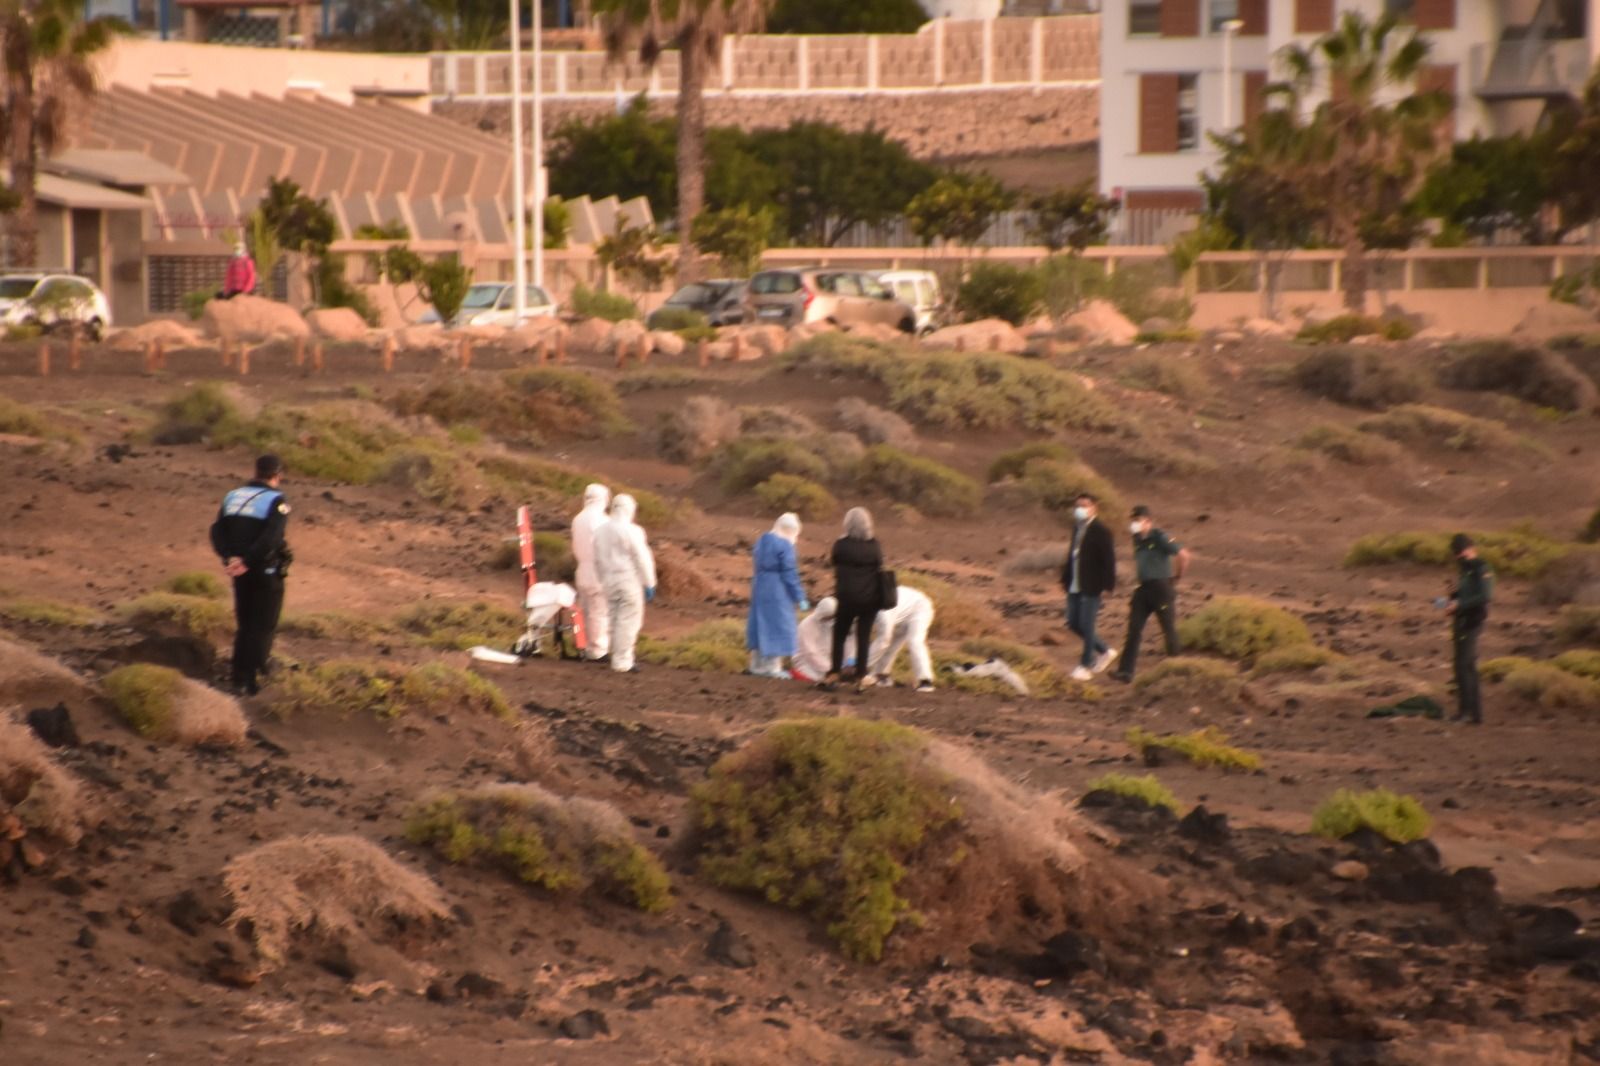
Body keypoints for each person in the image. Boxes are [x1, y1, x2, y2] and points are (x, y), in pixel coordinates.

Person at [209, 454, 291, 695]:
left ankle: (238, 676)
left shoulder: (232, 496)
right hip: (264, 570)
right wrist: (248, 560)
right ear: (277, 475)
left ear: (255, 471)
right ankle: (253, 679)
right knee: (263, 625)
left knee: (245, 625)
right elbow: (272, 538)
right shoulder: (277, 500)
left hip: (238, 570)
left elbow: (217, 531)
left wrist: (230, 558)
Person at [1110, 504, 1191, 683]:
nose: (1134, 524)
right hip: (1144, 588)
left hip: (1161, 588)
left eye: (1138, 520)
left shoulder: (1160, 537)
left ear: (1148, 521)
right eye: (1133, 520)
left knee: (1168, 629)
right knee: (1134, 629)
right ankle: (1125, 672)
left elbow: (1183, 555)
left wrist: (1177, 577)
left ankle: (1178, 672)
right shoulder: (1137, 539)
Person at [592, 494, 656, 674]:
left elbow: (596, 559)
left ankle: (616, 656)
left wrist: (601, 579)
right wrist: (649, 582)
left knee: (613, 619)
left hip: (608, 580)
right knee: (628, 621)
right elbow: (642, 558)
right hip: (628, 580)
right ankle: (622, 661)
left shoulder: (600, 530)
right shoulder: (632, 530)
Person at [826, 507, 884, 692]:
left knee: (840, 635)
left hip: (846, 597)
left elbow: (834, 561)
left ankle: (834, 674)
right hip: (869, 599)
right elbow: (879, 565)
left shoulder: (841, 545)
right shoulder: (874, 546)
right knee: (864, 637)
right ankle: (861, 677)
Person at [1061, 493, 1117, 682]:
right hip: (1075, 583)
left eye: (1084, 505)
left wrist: (1108, 585)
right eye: (1078, 505)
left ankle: (1085, 666)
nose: (1080, 509)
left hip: (1092, 584)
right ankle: (1104, 650)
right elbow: (1072, 555)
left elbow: (1109, 560)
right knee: (1073, 623)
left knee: (1087, 624)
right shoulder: (1077, 528)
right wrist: (1065, 578)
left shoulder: (1101, 531)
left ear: (1094, 508)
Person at [747, 513, 809, 679]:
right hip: (777, 589)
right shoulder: (785, 546)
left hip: (760, 585)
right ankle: (773, 668)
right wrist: (800, 597)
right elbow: (790, 574)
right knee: (777, 625)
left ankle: (757, 666)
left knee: (760, 624)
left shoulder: (763, 540)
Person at [1445, 533, 1493, 725]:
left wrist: (1460, 604)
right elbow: (1464, 594)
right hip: (1461, 620)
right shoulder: (1465, 570)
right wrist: (1452, 602)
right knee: (1465, 665)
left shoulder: (1481, 568)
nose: (1459, 556)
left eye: (1461, 551)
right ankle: (1473, 713)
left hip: (1471, 621)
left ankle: (1467, 712)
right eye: (1457, 553)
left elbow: (1484, 595)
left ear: (1470, 549)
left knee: (1464, 666)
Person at [570, 483, 612, 663]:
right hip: (599, 570)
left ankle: (584, 646)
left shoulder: (578, 518)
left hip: (582, 569)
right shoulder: (603, 520)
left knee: (586, 609)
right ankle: (598, 651)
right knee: (599, 612)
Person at [867, 585, 936, 692]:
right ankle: (882, 676)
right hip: (901, 611)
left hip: (919, 608)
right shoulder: (864, 607)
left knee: (914, 641)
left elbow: (883, 640)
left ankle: (925, 681)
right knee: (893, 644)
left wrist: (859, 667)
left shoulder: (883, 611)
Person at [792, 597, 837, 682]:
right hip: (806, 663)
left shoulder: (833, 625)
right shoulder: (807, 625)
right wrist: (830, 669)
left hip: (828, 662)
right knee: (817, 680)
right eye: (828, 617)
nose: (830, 619)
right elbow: (810, 653)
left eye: (832, 617)